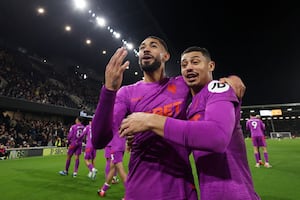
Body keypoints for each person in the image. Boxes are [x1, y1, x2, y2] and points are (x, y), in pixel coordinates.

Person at [92, 36, 246, 199]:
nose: (146, 49)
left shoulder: (182, 84)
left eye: (153, 45)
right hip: (140, 189)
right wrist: (109, 90)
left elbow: (207, 84)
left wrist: (230, 79)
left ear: (166, 56)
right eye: (142, 46)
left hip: (181, 189)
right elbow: (99, 140)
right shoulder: (126, 93)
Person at [97, 133, 127, 199]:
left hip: (115, 146)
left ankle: (129, 192)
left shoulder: (113, 122)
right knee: (112, 168)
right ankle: (103, 190)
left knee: (119, 168)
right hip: (121, 145)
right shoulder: (123, 122)